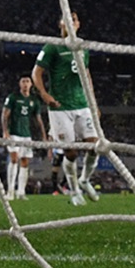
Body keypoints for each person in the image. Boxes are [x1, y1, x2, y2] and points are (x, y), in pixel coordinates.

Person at [32, 11, 100, 206]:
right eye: (67, 18)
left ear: (78, 24)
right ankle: (74, 191)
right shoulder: (52, 46)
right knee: (70, 152)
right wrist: (45, 95)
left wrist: (93, 104)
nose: (71, 21)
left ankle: (85, 180)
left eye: (75, 18)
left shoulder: (82, 47)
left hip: (82, 105)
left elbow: (87, 76)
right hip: (60, 107)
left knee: (95, 146)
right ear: (60, 23)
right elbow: (36, 73)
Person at [1, 75, 47, 201]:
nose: (25, 83)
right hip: (13, 133)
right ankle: (10, 191)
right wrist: (5, 132)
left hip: (27, 135)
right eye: (23, 81)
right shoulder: (13, 97)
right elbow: (5, 115)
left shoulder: (34, 100)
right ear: (19, 84)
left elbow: (38, 119)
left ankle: (21, 191)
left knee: (25, 162)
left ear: (31, 84)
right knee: (14, 159)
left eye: (27, 81)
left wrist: (44, 135)